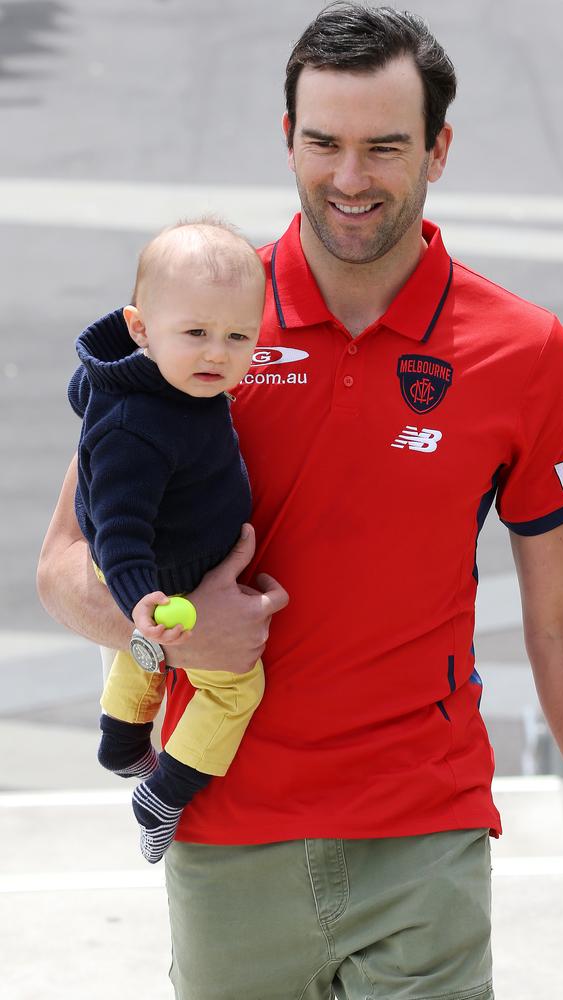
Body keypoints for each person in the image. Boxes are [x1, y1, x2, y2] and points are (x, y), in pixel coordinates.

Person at [38, 3, 563, 998]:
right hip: (226, 832)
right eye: (321, 142)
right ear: (287, 139)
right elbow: (63, 565)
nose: (349, 177)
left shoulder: (524, 353)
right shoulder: (197, 319)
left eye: (383, 147)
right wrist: (176, 635)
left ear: (437, 149)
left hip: (424, 833)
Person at [67, 218, 266, 863]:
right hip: (157, 573)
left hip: (167, 565)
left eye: (239, 336)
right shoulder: (137, 427)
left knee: (142, 660)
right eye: (197, 334)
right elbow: (120, 528)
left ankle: (121, 742)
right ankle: (165, 791)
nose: (218, 354)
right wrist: (140, 601)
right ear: (140, 328)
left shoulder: (158, 380)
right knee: (233, 687)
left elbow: (84, 392)